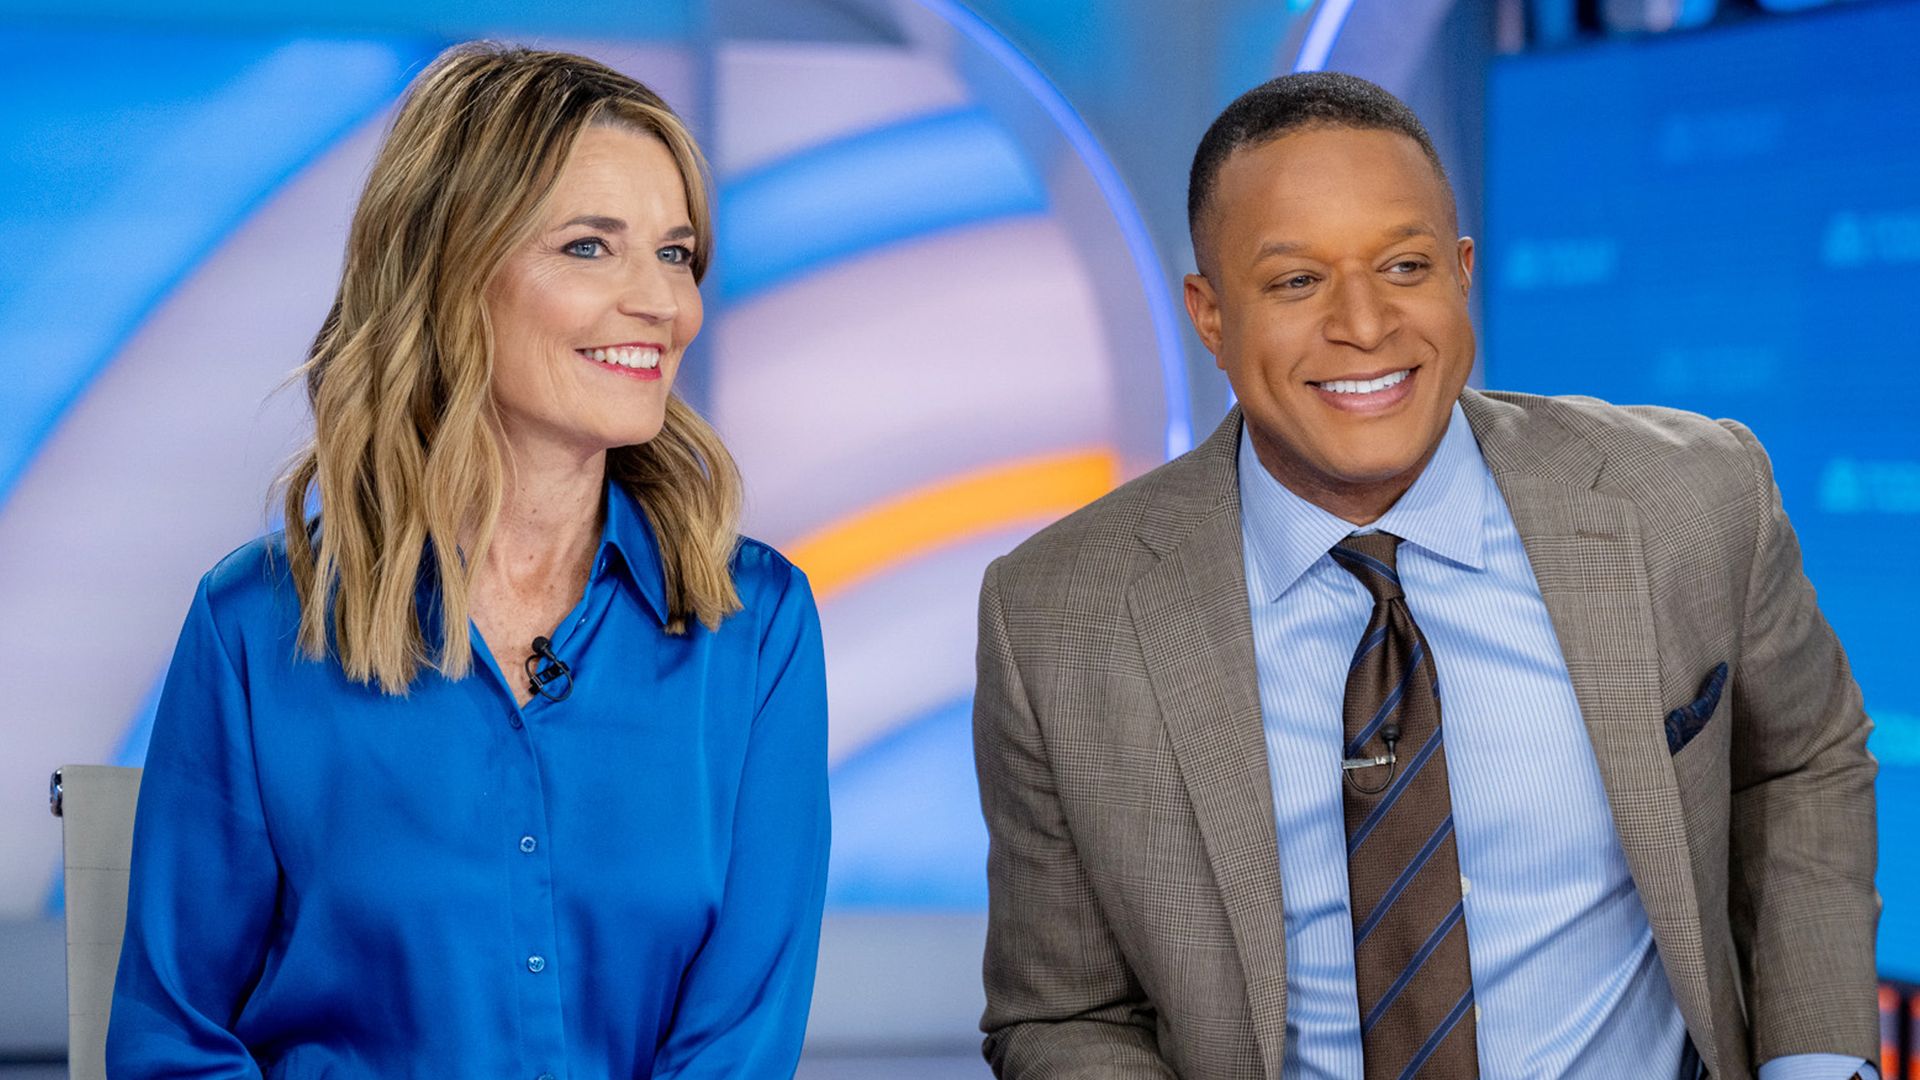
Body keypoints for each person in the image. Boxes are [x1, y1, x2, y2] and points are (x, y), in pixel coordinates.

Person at [973, 71, 1876, 1080]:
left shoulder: (1691, 497)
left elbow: (1801, 762)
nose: (1364, 325)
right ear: (1211, 315)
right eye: (1295, 282)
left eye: (1404, 267)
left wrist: (1816, 1062)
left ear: (1460, 273)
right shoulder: (1055, 617)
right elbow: (1063, 1013)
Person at [107, 44, 829, 1078]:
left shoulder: (754, 628)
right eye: (591, 248)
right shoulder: (254, 630)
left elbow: (738, 1047)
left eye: (675, 254)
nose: (661, 303)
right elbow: (171, 1043)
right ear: (449, 272)